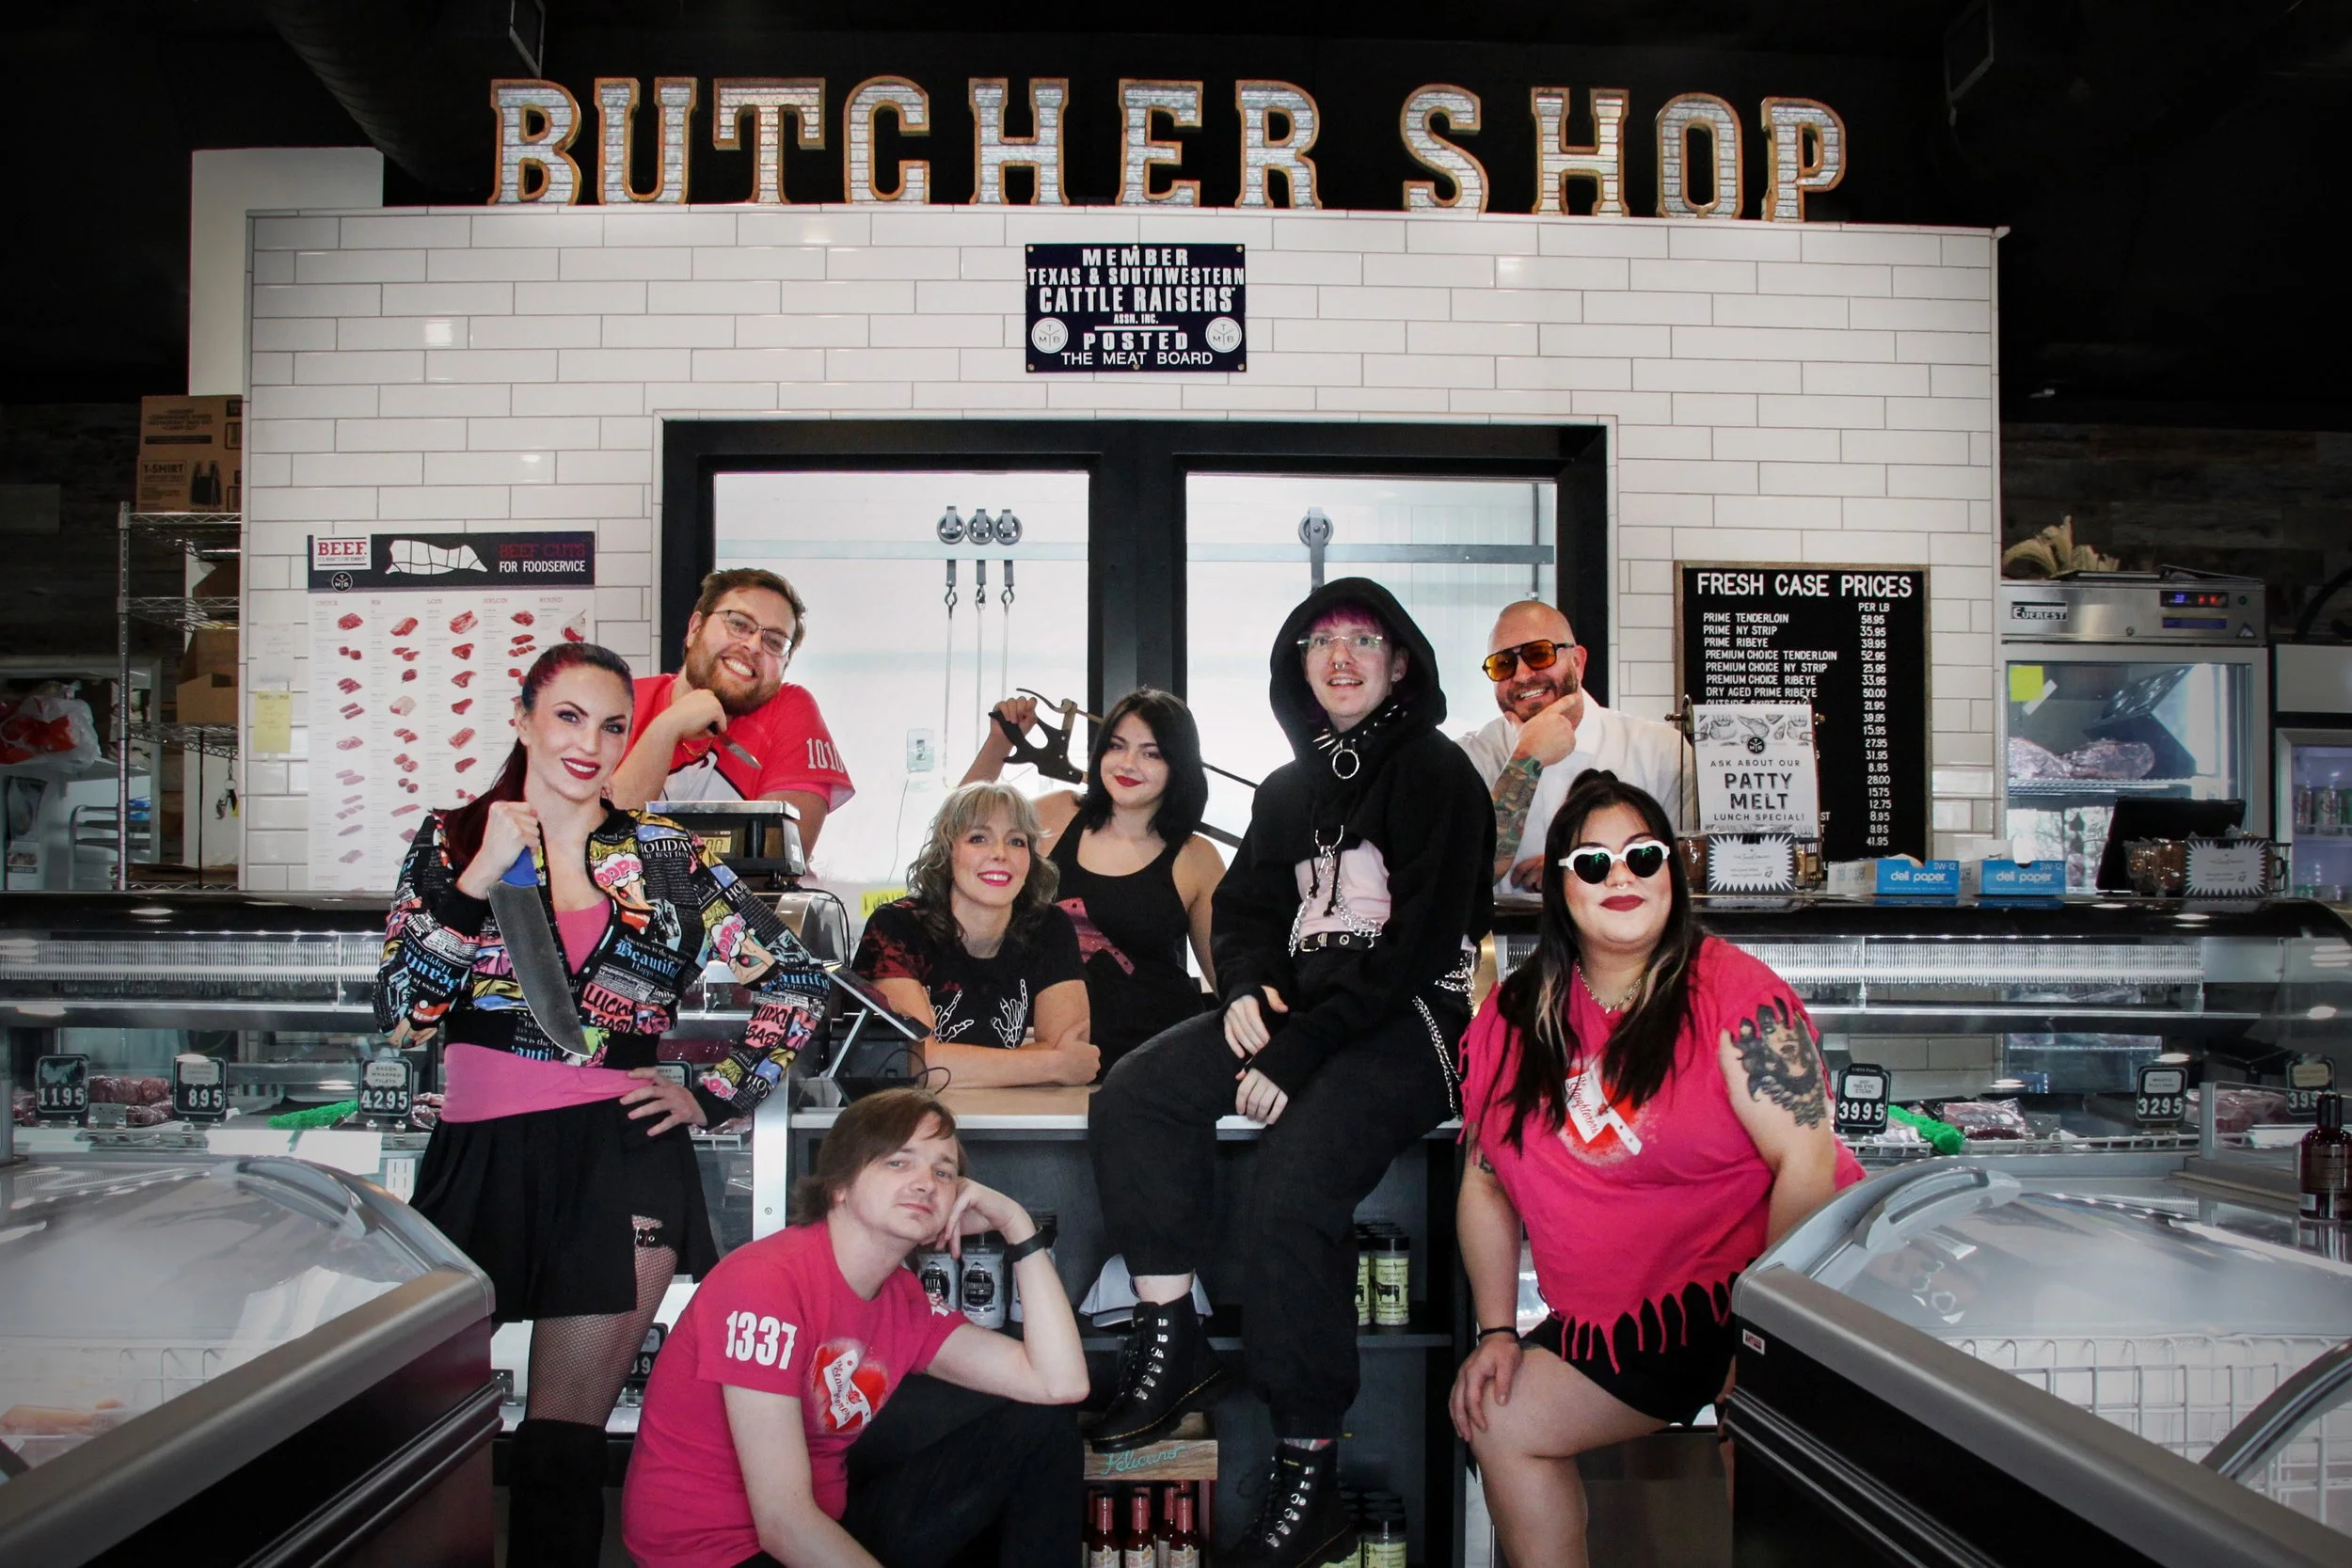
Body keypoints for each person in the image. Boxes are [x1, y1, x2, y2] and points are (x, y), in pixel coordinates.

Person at [376, 642, 832, 1568]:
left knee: (560, 1452)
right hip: (478, 1159)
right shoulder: (452, 838)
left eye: (614, 725)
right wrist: (477, 879)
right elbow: (402, 1016)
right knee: (420, 1436)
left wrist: (714, 1091)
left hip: (621, 1161)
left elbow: (797, 980)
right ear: (523, 719)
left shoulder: (663, 854)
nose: (590, 743)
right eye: (569, 716)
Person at [1087, 578, 1494, 1568]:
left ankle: (1310, 1477)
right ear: (1298, 664)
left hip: (1412, 1024)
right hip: (1298, 1015)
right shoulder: (1285, 788)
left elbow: (1417, 948)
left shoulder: (1438, 773)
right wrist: (1243, 989)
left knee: (1292, 1183)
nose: (1341, 657)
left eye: (1364, 639)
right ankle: (1171, 1336)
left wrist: (1298, 1045)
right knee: (1136, 1092)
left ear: (1400, 661)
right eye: (1320, 641)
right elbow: (1246, 914)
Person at [1447, 771, 1865, 1568]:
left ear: (1671, 869)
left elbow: (1807, 1162)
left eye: (1643, 855)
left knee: (1764, 1438)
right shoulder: (1515, 1015)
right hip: (1631, 1317)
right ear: (1561, 885)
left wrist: (1767, 1341)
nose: (1623, 876)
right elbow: (1485, 1179)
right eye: (1593, 862)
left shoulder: (1738, 994)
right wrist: (1497, 1330)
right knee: (1500, 1417)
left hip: (1773, 1290)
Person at [622, 1087, 1088, 1568]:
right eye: (899, 1162)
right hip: (720, 1555)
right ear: (839, 1186)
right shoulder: (764, 1282)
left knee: (1040, 1431)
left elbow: (1059, 1383)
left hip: (824, 1529)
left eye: (944, 1172)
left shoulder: (902, 1298)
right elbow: (782, 1522)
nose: (926, 1183)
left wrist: (1015, 1225)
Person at [961, 688, 1224, 1072]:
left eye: (1151, 753)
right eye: (1117, 746)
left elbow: (1228, 978)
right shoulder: (1056, 814)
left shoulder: (1197, 857)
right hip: (1043, 1060)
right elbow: (959, 834)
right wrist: (999, 745)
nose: (1128, 764)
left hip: (1156, 1065)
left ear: (1178, 765)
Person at [852, 782, 1099, 1089]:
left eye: (1016, 841)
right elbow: (910, 1061)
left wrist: (955, 1061)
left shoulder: (1049, 926)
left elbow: (1076, 1054)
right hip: (917, 1116)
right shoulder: (897, 926)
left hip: (1016, 1113)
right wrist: (1051, 1064)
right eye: (978, 838)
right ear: (947, 852)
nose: (1000, 854)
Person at [1455, 599, 1692, 893]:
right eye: (1503, 664)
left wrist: (1576, 870)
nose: (1523, 675)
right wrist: (1527, 760)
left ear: (1577, 662)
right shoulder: (1468, 759)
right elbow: (1460, 875)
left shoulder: (1662, 752)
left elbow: (1692, 873)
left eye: (1539, 654)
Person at [612, 566, 853, 852]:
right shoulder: (618, 703)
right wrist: (665, 730)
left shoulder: (790, 709)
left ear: (785, 666)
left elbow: (774, 858)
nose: (753, 645)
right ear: (695, 629)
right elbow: (596, 849)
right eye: (738, 624)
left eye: (774, 641)